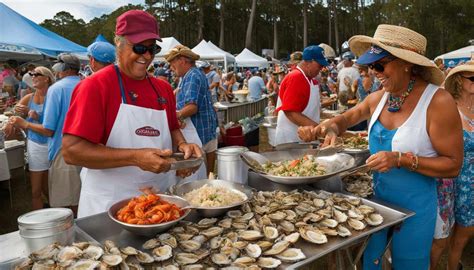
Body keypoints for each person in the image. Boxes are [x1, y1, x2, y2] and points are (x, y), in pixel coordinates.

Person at [298, 24, 463, 270]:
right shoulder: (378, 98)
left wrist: (401, 159)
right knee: (372, 264)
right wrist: (330, 127)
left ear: (406, 63)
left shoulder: (437, 102)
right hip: (379, 208)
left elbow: (453, 165)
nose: (374, 72)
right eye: (369, 66)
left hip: (416, 212)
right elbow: (345, 119)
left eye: (379, 65)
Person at [61, 10, 201, 218]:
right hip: (110, 206)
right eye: (139, 48)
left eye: (152, 49)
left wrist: (182, 146)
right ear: (118, 43)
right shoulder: (95, 86)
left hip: (160, 203)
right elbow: (72, 152)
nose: (146, 56)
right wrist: (135, 158)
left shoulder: (162, 88)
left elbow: (172, 127)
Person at [5, 66, 55, 210]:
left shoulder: (53, 97)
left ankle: (53, 211)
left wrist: (34, 116)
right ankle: (39, 221)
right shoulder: (29, 97)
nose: (32, 76)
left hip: (53, 146)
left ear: (47, 78)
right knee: (35, 190)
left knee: (49, 187)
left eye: (36, 74)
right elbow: (14, 114)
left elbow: (53, 125)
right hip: (36, 146)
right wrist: (10, 122)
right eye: (31, 74)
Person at [166, 45, 217, 177]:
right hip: (205, 132)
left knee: (195, 177)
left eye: (172, 63)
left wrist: (175, 116)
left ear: (182, 60)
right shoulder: (191, 75)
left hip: (199, 134)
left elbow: (192, 107)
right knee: (207, 174)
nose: (170, 67)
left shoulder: (192, 76)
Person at [444, 62, 474, 270]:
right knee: (460, 234)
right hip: (457, 181)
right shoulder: (449, 108)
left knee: (463, 233)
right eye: (472, 79)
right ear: (458, 81)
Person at [274, 45, 328, 145]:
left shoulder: (309, 79)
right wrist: (320, 129)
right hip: (292, 140)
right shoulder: (296, 77)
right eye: (319, 65)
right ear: (308, 62)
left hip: (304, 138)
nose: (321, 68)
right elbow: (291, 112)